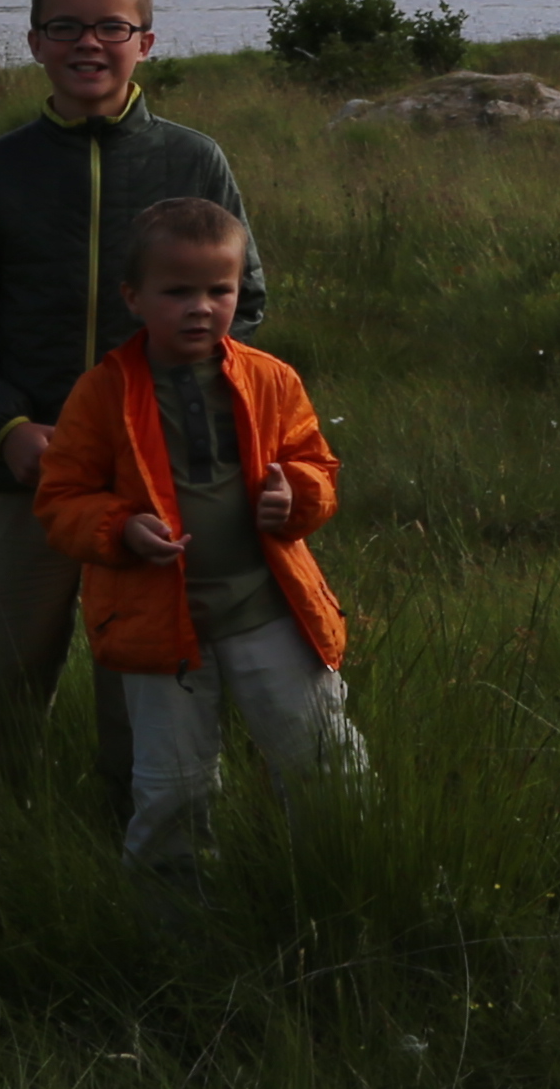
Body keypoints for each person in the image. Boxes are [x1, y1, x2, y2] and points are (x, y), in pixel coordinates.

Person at [0, 0, 258, 785]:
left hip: (155, 482)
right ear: (35, 41)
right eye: (67, 25)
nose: (89, 44)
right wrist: (7, 432)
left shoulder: (193, 161)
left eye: (112, 24)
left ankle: (139, 857)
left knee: (145, 701)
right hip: (21, 482)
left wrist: (177, 431)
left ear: (148, 39)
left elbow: (239, 309)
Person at [31, 197, 358, 868]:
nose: (201, 307)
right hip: (160, 626)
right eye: (177, 291)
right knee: (173, 789)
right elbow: (60, 499)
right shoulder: (101, 393)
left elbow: (316, 465)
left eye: (220, 289)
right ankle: (175, 929)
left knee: (324, 763)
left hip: (269, 612)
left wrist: (293, 493)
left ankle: (348, 881)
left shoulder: (271, 379)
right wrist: (121, 529)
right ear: (134, 297)